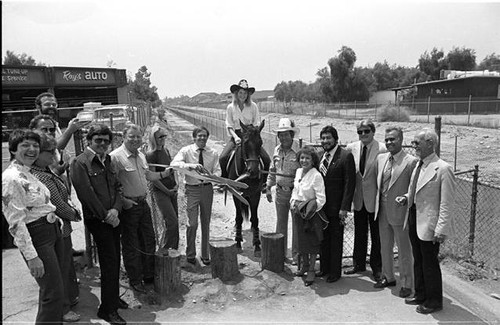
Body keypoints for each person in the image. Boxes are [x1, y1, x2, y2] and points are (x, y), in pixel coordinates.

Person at [2, 129, 64, 324]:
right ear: (13, 150)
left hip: (51, 232)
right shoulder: (11, 178)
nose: (32, 150)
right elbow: (16, 222)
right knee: (53, 294)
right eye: (25, 145)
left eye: (35, 145)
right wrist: (32, 256)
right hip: (37, 237)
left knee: (53, 291)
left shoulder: (28, 173)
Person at [71, 124, 128, 325]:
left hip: (113, 216)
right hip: (99, 220)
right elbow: (87, 195)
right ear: (89, 141)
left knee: (114, 259)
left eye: (106, 140)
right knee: (109, 261)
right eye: (98, 140)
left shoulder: (109, 160)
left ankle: (112, 298)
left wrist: (116, 210)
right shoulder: (80, 163)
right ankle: (107, 310)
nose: (103, 144)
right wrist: (106, 215)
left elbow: (118, 188)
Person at [397, 128, 456, 314]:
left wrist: (441, 229)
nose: (414, 146)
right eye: (413, 143)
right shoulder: (418, 165)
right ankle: (421, 294)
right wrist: (407, 197)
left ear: (430, 143)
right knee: (419, 260)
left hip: (430, 224)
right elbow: (417, 189)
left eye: (417, 143)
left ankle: (434, 301)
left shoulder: (443, 169)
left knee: (430, 263)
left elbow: (447, 203)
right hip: (414, 217)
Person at [30, 132, 82, 323]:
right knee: (57, 274)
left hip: (59, 229)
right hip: (54, 229)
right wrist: (74, 214)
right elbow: (58, 205)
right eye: (49, 151)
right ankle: (62, 309)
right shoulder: (41, 177)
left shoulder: (46, 171)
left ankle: (65, 304)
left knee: (64, 268)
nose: (53, 155)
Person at [110, 123, 165, 294]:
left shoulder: (141, 155)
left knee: (148, 239)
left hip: (143, 203)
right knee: (131, 244)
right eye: (131, 136)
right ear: (123, 137)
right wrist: (123, 201)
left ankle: (148, 275)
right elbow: (110, 185)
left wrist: (166, 173)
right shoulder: (115, 157)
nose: (135, 139)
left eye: (138, 136)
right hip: (129, 207)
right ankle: (135, 279)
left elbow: (148, 176)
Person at [373, 127, 417, 298]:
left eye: (393, 139)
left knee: (404, 250)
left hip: (400, 211)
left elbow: (414, 187)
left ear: (401, 139)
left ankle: (407, 283)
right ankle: (388, 276)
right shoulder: (381, 158)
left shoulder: (411, 161)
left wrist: (406, 197)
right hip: (382, 209)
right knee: (385, 247)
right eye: (387, 139)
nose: (389, 142)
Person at [171, 126, 221, 266]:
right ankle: (190, 254)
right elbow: (174, 164)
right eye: (199, 136)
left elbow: (218, 171)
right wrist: (190, 166)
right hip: (191, 190)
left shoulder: (213, 153)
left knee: (206, 223)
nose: (202, 138)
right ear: (194, 137)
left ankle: (205, 255)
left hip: (207, 190)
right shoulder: (186, 151)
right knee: (192, 223)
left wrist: (212, 176)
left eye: (204, 136)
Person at [345, 119, 386, 281]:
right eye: (360, 132)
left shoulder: (382, 149)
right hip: (358, 198)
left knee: (377, 235)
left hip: (375, 199)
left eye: (366, 131)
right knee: (359, 233)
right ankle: (358, 264)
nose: (363, 134)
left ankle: (377, 267)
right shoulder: (351, 148)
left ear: (373, 131)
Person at [317, 126, 356, 283]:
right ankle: (324, 268)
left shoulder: (345, 156)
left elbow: (349, 183)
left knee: (335, 239)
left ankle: (335, 272)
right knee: (323, 239)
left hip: (337, 207)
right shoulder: (319, 156)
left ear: (336, 139)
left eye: (328, 138)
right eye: (323, 138)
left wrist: (344, 208)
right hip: (321, 207)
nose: (325, 141)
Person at [219, 79, 270, 184]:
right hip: (236, 135)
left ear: (248, 95)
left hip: (251, 136)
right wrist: (236, 137)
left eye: (245, 93)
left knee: (266, 159)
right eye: (240, 93)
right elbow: (229, 125)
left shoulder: (253, 106)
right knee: (223, 157)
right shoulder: (230, 107)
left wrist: (253, 135)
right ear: (236, 94)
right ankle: (224, 181)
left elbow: (256, 122)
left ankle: (264, 182)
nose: (242, 95)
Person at [265, 118, 301, 263]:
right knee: (281, 223)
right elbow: (272, 169)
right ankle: (281, 254)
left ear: (292, 135)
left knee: (297, 224)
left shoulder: (299, 150)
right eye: (280, 134)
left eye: (286, 134)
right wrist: (268, 187)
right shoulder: (276, 150)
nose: (283, 137)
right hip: (280, 192)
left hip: (295, 193)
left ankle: (297, 255)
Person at [290, 146, 326, 286]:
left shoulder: (316, 175)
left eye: (307, 158)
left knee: (311, 244)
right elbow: (296, 190)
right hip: (298, 211)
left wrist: (310, 210)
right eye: (302, 158)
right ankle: (304, 266)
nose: (304, 161)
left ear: (313, 160)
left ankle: (311, 269)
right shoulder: (299, 171)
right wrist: (293, 202)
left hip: (311, 214)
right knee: (301, 242)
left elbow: (321, 198)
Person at [146, 125, 179, 250]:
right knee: (172, 221)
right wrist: (167, 191)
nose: (163, 139)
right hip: (161, 191)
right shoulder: (151, 154)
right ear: (153, 138)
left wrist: (176, 185)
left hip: (171, 189)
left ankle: (174, 249)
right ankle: (165, 249)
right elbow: (154, 178)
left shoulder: (166, 151)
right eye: (160, 137)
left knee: (174, 220)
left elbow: (171, 170)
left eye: (164, 136)